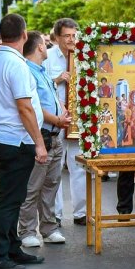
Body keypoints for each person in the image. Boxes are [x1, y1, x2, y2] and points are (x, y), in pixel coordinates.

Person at [0, 14, 49, 269]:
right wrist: (40, 143)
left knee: (13, 197)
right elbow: (25, 108)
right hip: (15, 140)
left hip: (2, 137)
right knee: (9, 201)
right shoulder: (16, 65)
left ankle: (12, 248)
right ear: (24, 35)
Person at [18, 32, 71, 248]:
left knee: (51, 185)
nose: (46, 45)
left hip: (55, 136)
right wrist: (58, 119)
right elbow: (34, 106)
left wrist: (63, 110)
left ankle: (49, 229)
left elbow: (51, 97)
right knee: (33, 187)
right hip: (42, 135)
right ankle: (27, 231)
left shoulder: (40, 71)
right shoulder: (28, 72)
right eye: (44, 42)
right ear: (40, 47)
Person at [45, 19, 88, 226]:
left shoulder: (83, 55)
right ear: (57, 37)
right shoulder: (48, 56)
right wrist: (59, 78)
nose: (71, 40)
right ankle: (56, 215)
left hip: (77, 118)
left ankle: (81, 212)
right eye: (67, 36)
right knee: (55, 167)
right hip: (55, 118)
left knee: (78, 165)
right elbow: (41, 85)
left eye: (74, 35)